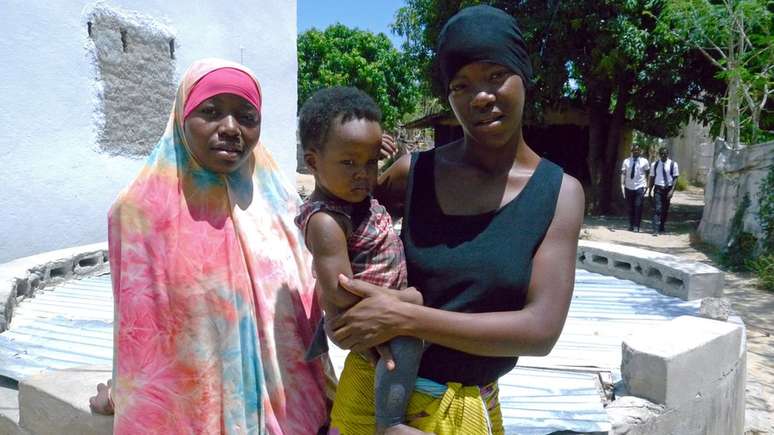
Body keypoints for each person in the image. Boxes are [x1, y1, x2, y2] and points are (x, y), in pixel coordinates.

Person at [326, 5, 585, 434]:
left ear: (524, 76)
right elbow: (335, 221)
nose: (480, 96)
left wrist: (406, 319)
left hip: (466, 408)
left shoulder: (558, 194)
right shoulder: (414, 173)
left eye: (495, 76)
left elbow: (541, 329)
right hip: (372, 394)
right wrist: (340, 308)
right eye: (461, 85)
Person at [88, 58, 332, 434]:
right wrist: (124, 392)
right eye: (211, 112)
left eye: (246, 116)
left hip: (291, 414)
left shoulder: (281, 205)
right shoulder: (140, 213)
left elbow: (307, 312)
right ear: (182, 116)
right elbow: (141, 330)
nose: (231, 128)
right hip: (189, 413)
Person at [296, 86, 426, 434]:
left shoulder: (357, 197)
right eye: (349, 162)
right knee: (403, 347)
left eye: (370, 162)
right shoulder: (326, 220)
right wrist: (406, 302)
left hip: (383, 307)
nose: (363, 173)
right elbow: (340, 292)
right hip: (365, 314)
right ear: (313, 162)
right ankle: (391, 422)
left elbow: (394, 171)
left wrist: (391, 150)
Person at [648, 147, 680, 235]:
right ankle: (655, 229)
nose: (663, 155)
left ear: (667, 154)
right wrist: (650, 190)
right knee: (657, 209)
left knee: (665, 209)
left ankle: (662, 226)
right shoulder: (654, 165)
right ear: (659, 154)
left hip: (668, 189)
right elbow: (652, 177)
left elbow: (675, 178)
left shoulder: (673, 164)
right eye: (661, 153)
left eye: (665, 153)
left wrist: (672, 191)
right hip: (658, 188)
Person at [620, 146, 650, 232]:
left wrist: (647, 185)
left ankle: (637, 225)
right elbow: (623, 173)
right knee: (630, 207)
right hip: (628, 187)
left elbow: (648, 173)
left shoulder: (644, 161)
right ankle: (631, 225)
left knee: (638, 206)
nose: (636, 151)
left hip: (640, 186)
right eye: (634, 150)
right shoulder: (626, 161)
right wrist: (622, 184)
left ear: (640, 151)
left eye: (638, 150)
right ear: (632, 151)